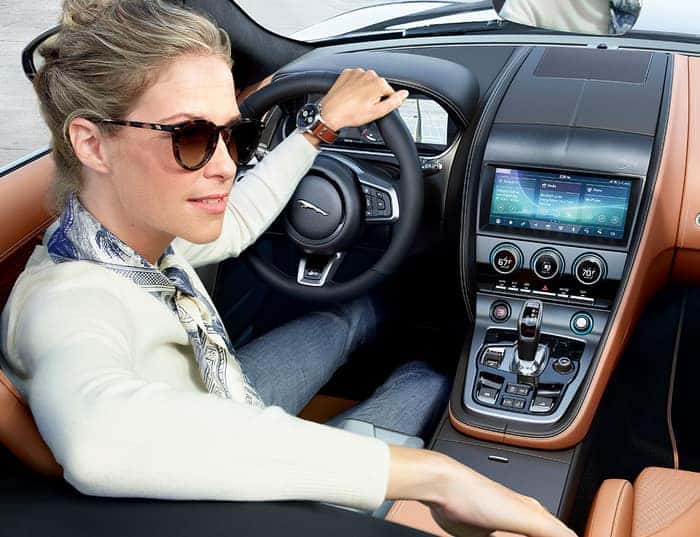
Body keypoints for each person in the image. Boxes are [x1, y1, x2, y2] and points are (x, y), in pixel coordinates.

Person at [0, 2, 575, 536]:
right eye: (192, 137)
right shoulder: (67, 303)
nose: (226, 167)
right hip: (224, 502)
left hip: (218, 396)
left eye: (233, 134)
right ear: (92, 145)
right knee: (428, 377)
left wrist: (320, 128)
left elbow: (240, 222)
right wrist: (434, 475)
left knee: (348, 314)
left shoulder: (113, 239)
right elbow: (102, 441)